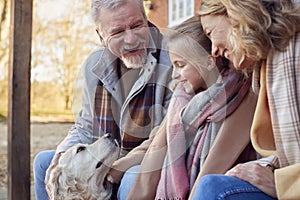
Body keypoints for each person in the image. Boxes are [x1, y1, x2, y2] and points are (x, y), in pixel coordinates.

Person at [33, 0, 173, 199]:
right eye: (117, 32)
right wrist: (61, 155)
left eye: (137, 25)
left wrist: (119, 166)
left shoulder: (173, 56)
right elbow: (86, 125)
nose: (131, 39)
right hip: (108, 154)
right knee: (45, 163)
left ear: (146, 19)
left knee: (132, 179)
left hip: (151, 160)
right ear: (101, 36)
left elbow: (168, 135)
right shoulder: (94, 65)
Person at [111, 16, 257, 200]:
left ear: (209, 61)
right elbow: (158, 143)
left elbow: (214, 170)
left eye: (180, 65)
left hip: (227, 185)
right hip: (190, 185)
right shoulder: (183, 97)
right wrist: (117, 167)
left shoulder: (239, 94)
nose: (174, 75)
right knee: (131, 177)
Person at [191, 0, 300, 199]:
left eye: (210, 32)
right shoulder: (266, 66)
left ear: (236, 14)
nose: (214, 51)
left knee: (213, 188)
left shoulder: (293, 52)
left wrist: (283, 184)